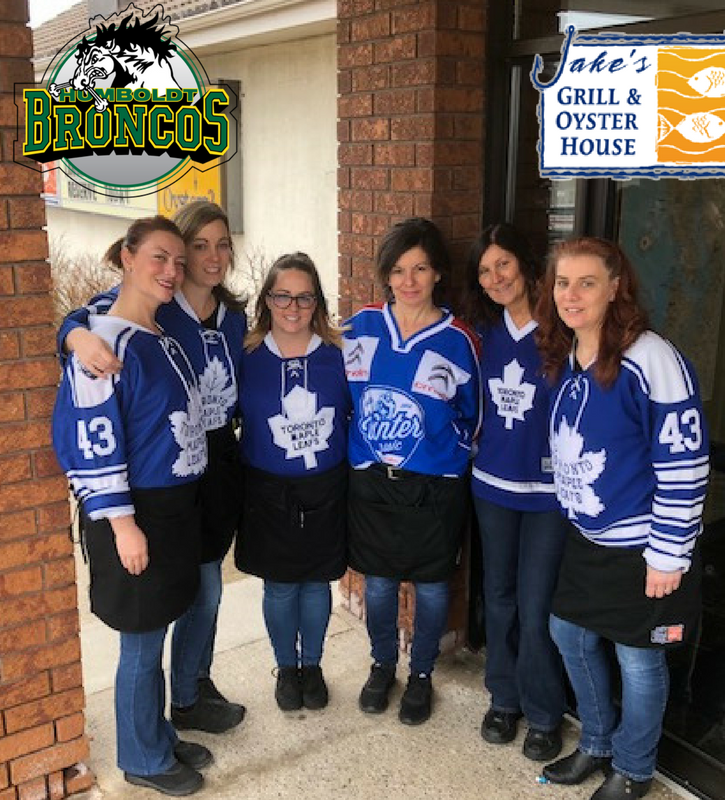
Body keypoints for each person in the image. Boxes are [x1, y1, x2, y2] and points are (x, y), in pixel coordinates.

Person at [58, 201, 247, 734]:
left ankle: (191, 689)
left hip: (213, 457)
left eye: (222, 245)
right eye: (198, 246)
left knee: (203, 587)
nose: (212, 257)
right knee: (175, 596)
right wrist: (74, 336)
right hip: (156, 467)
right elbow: (87, 324)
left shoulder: (234, 315)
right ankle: (167, 713)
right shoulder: (154, 305)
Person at [533, 237, 709, 800]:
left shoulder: (651, 357)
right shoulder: (569, 355)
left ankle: (634, 769)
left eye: (587, 283)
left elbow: (684, 460)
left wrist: (669, 553)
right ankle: (598, 742)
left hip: (645, 546)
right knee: (568, 633)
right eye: (563, 283)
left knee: (638, 660)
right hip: (590, 538)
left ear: (615, 288)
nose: (571, 294)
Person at [52, 217, 212, 796]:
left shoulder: (159, 328)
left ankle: (157, 733)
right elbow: (89, 440)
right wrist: (123, 525)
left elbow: (84, 313)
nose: (171, 271)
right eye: (158, 258)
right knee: (141, 643)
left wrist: (71, 329)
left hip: (174, 506)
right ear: (127, 256)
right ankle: (143, 757)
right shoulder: (102, 345)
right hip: (135, 512)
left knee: (157, 629)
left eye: (178, 261)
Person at [344, 217, 481, 725]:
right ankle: (383, 663)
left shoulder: (458, 340)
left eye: (420, 268)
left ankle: (421, 672)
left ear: (438, 272)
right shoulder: (360, 328)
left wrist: (441, 456)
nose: (409, 280)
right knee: (379, 584)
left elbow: (475, 415)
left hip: (435, 487)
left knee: (432, 585)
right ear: (386, 274)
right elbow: (339, 393)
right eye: (399, 269)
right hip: (373, 481)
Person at [461, 223, 568, 760]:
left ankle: (545, 712)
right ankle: (503, 699)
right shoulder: (482, 333)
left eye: (503, 263)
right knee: (498, 597)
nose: (495, 277)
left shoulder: (563, 329)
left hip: (549, 494)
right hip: (492, 487)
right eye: (484, 270)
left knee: (536, 603)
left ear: (526, 264)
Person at [234, 253, 350, 711]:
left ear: (317, 301)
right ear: (267, 299)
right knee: (281, 586)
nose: (293, 307)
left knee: (317, 583)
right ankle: (286, 668)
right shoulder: (246, 356)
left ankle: (313, 666)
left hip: (325, 485)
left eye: (304, 297)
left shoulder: (339, 355)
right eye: (283, 296)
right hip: (267, 489)